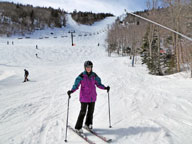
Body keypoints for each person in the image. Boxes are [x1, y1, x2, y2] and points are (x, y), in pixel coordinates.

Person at [67, 61, 110, 133]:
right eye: (87, 67)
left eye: (89, 67)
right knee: (83, 112)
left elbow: (99, 84)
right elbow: (76, 85)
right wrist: (71, 91)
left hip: (92, 97)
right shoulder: (81, 76)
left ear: (91, 67)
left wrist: (105, 88)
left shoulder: (94, 75)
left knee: (90, 112)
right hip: (84, 97)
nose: (88, 68)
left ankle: (88, 124)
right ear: (85, 68)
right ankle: (78, 127)